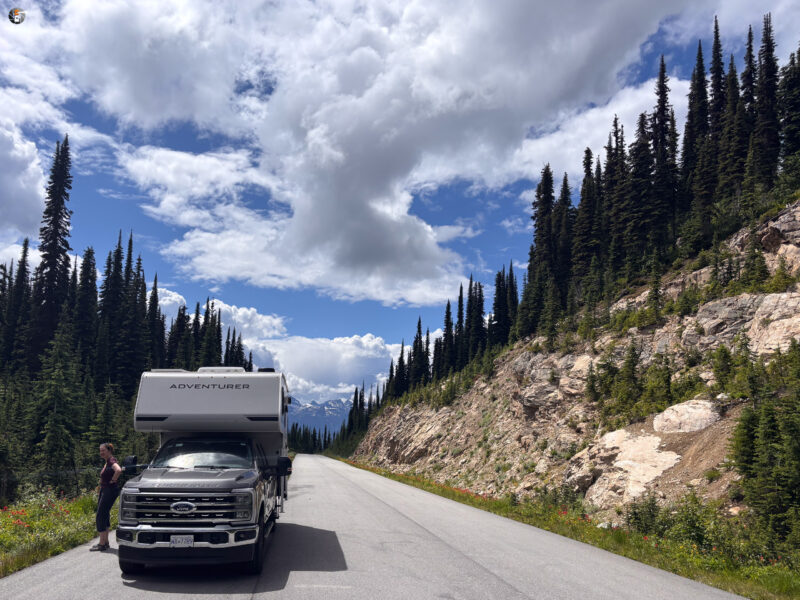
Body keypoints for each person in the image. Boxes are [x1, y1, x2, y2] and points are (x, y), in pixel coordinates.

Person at [91, 442, 122, 551]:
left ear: (109, 450)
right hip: (106, 490)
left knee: (100, 515)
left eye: (103, 450)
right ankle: (105, 542)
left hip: (109, 490)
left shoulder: (111, 461)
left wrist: (113, 480)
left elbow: (118, 470)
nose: (101, 452)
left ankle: (102, 544)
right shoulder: (107, 462)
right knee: (105, 514)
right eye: (100, 451)